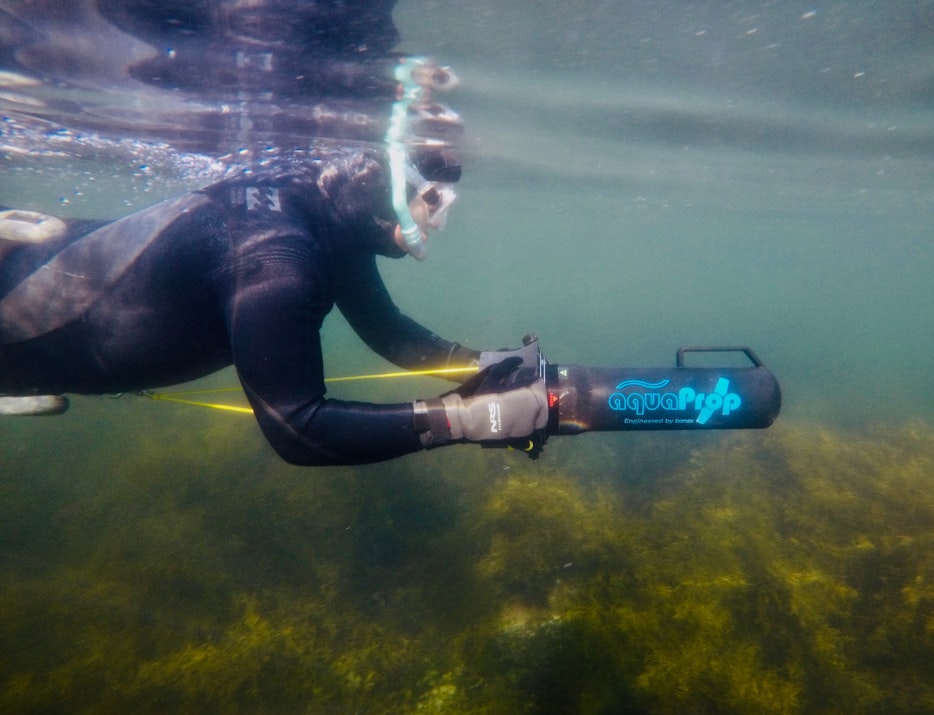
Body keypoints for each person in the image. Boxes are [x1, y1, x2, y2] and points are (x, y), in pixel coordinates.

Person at [0, 1, 550, 465]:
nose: (434, 222)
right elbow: (299, 429)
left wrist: (485, 366)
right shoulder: (278, 256)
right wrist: (468, 420)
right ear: (379, 175)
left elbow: (388, 332)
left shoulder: (330, 223)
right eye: (430, 200)